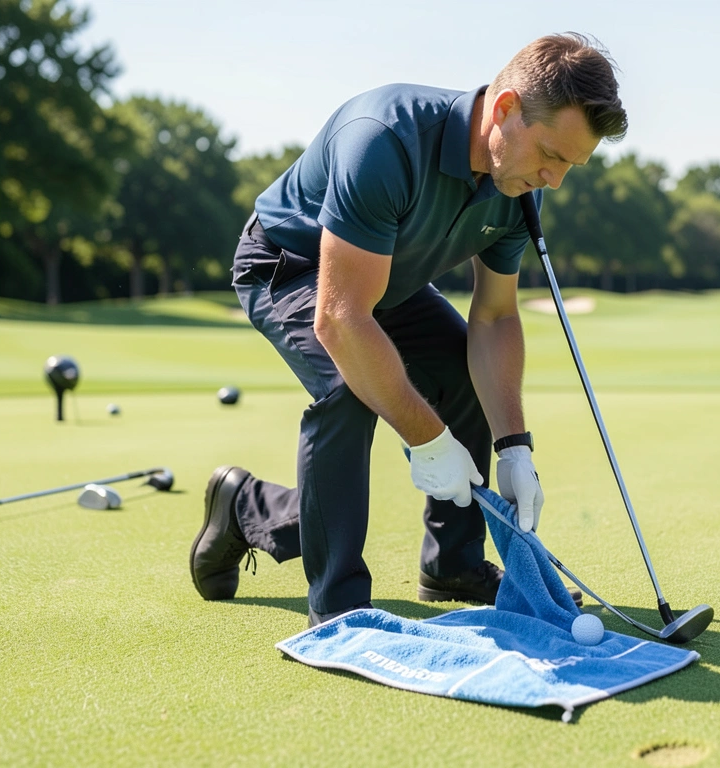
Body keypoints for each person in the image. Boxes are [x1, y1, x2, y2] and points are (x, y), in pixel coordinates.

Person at [189, 33, 628, 627]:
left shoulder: (518, 184)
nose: (555, 180)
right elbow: (341, 318)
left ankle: (452, 563)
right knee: (349, 389)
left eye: (571, 165)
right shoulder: (385, 139)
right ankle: (338, 606)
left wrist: (514, 447)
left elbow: (495, 317)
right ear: (505, 109)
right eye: (551, 155)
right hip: (289, 263)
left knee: (461, 373)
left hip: (384, 276)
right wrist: (428, 438)